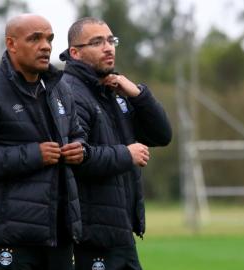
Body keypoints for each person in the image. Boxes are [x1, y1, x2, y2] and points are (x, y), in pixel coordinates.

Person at [0, 14, 87, 270]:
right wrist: (34, 154)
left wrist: (80, 149)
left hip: (60, 233)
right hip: (11, 239)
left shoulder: (60, 89)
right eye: (35, 38)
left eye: (49, 38)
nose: (46, 45)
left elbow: (78, 134)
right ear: (11, 44)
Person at [59, 17, 172, 270]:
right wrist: (125, 154)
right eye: (97, 42)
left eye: (111, 40)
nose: (108, 47)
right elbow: (76, 157)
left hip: (119, 232)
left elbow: (162, 135)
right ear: (75, 53)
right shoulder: (70, 93)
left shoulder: (114, 91)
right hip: (91, 236)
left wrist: (138, 94)